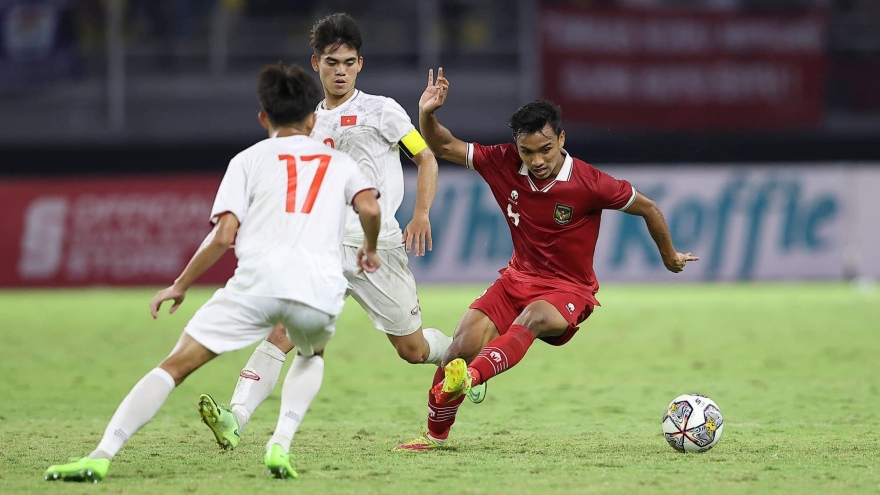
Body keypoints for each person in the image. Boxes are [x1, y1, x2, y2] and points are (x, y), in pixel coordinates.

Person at [43, 62, 382, 482]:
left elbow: (223, 236)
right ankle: (280, 441)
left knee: (175, 365)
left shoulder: (247, 160)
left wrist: (180, 285)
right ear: (313, 120)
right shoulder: (340, 163)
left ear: (264, 118)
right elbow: (370, 208)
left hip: (255, 285)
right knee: (311, 355)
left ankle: (101, 454)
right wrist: (369, 248)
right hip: (317, 287)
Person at [196, 12, 485, 453]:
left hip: (377, 247)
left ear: (360, 64)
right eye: (332, 62)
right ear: (316, 64)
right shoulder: (309, 122)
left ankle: (463, 364)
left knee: (410, 349)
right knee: (282, 332)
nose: (341, 71)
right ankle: (235, 417)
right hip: (322, 249)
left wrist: (421, 212)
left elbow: (425, 157)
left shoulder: (381, 110)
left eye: (349, 62)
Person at [395, 68, 699, 450]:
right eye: (527, 151)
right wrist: (427, 114)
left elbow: (649, 207)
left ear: (561, 139)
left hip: (569, 289)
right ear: (516, 146)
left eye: (545, 149)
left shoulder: (590, 182)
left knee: (534, 318)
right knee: (458, 348)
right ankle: (435, 436)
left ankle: (472, 377)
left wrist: (669, 257)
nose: (537, 160)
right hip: (516, 279)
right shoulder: (502, 161)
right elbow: (442, 146)